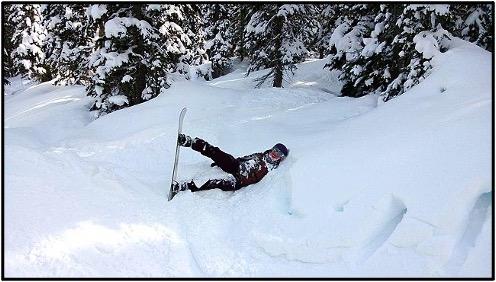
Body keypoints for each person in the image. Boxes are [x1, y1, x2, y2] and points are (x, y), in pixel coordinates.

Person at [171, 134, 289, 197]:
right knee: (218, 153)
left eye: (278, 154)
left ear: (281, 158)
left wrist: (242, 179)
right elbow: (245, 158)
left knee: (215, 182)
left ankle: (184, 186)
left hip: (239, 181)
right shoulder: (260, 155)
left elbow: (257, 180)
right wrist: (221, 162)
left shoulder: (271, 169)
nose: (275, 153)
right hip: (236, 166)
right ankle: (190, 142)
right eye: (275, 150)